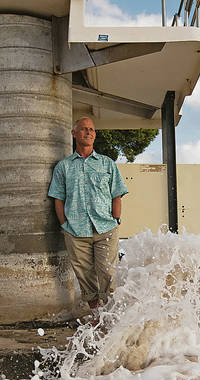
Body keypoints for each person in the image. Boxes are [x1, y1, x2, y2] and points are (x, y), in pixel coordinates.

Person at [48, 117, 129, 316]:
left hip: (105, 228)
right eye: (84, 129)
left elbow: (116, 194)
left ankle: (110, 315)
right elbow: (58, 198)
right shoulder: (64, 167)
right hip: (76, 230)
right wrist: (64, 225)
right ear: (74, 134)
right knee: (84, 276)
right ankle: (96, 315)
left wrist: (116, 220)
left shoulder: (107, 163)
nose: (89, 132)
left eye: (92, 129)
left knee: (108, 272)